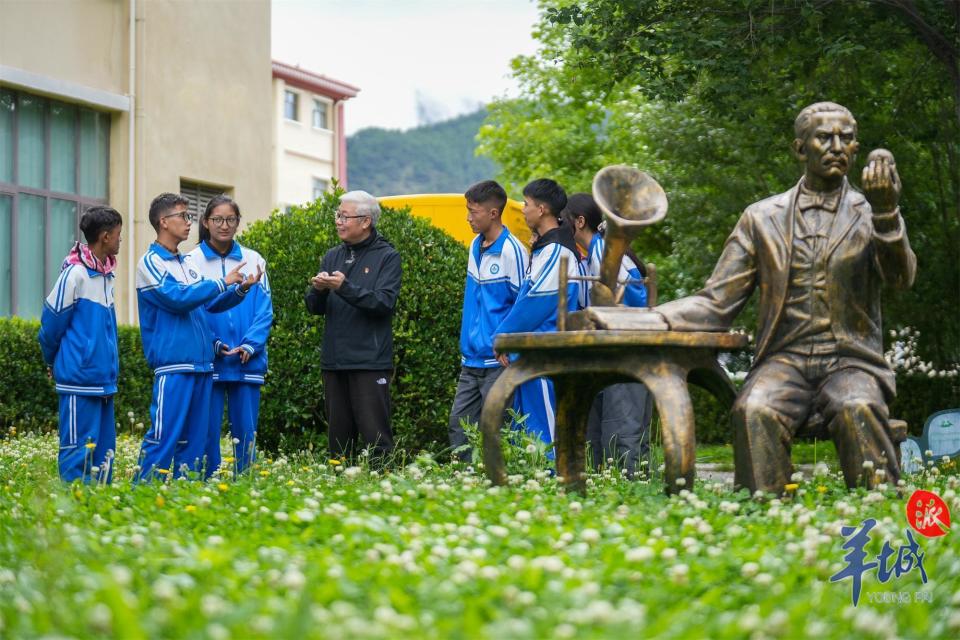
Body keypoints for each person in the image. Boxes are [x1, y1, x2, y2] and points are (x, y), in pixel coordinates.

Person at [656, 102, 916, 493]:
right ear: (800, 149)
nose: (836, 146)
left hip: (850, 361)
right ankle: (764, 514)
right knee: (752, 409)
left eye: (845, 139)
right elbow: (715, 302)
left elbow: (900, 279)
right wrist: (651, 319)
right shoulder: (761, 218)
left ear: (856, 148)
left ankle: (878, 513)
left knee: (856, 406)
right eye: (824, 137)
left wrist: (886, 214)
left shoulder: (874, 212)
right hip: (785, 359)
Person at [136, 193, 262, 481]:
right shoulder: (151, 262)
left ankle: (187, 496)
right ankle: (141, 492)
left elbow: (206, 306)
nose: (189, 222)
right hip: (175, 366)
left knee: (195, 443)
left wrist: (239, 290)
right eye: (183, 216)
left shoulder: (186, 263)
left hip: (203, 366)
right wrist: (220, 282)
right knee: (164, 435)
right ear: (164, 222)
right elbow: (177, 298)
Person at [305, 190, 402, 463]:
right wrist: (319, 290)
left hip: (369, 362)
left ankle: (383, 488)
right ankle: (338, 490)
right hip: (334, 362)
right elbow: (314, 308)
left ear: (365, 221)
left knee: (376, 439)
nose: (338, 221)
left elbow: (384, 303)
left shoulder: (387, 256)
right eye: (337, 215)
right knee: (338, 443)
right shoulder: (333, 255)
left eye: (344, 216)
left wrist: (344, 287)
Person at [563, 193, 653, 476]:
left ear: (579, 222)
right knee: (612, 432)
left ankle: (629, 489)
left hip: (626, 350)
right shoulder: (591, 256)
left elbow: (638, 297)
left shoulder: (604, 252)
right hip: (612, 353)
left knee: (622, 431)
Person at [494, 179, 582, 447]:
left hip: (546, 353)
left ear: (542, 209)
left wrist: (503, 334)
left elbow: (538, 301)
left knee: (543, 432)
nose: (523, 209)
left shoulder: (556, 250)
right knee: (529, 430)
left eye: (527, 203)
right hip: (533, 352)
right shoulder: (546, 248)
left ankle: (551, 482)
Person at [188, 195, 273, 474]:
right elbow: (192, 309)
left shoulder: (253, 259)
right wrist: (212, 343)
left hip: (248, 360)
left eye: (230, 219)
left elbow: (264, 310)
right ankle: (207, 480)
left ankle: (246, 481)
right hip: (209, 359)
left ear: (238, 222)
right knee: (206, 431)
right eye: (217, 219)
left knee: (247, 432)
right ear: (206, 222)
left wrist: (251, 345)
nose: (224, 225)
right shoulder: (192, 261)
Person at [38, 206, 123, 483]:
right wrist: (52, 361)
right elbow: (51, 326)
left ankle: (100, 514)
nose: (121, 240)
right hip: (79, 380)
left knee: (104, 456)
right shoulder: (74, 274)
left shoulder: (106, 275)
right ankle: (74, 514)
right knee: (77, 453)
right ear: (106, 237)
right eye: (119, 234)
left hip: (103, 381)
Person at [448, 180, 528, 461]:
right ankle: (463, 481)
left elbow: (523, 305)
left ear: (493, 213)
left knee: (497, 430)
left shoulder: (513, 251)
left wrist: (511, 347)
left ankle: (501, 483)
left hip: (498, 362)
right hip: (470, 360)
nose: (469, 217)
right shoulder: (474, 245)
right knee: (459, 427)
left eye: (474, 211)